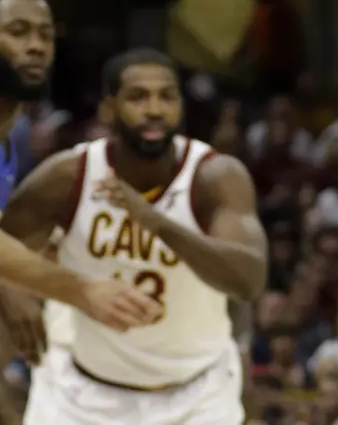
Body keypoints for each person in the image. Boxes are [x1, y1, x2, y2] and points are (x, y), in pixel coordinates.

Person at [0, 48, 268, 424]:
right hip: (82, 395)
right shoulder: (68, 177)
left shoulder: (214, 178)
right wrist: (14, 294)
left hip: (196, 394)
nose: (154, 109)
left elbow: (248, 279)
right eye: (138, 97)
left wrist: (157, 223)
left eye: (167, 96)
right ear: (109, 107)